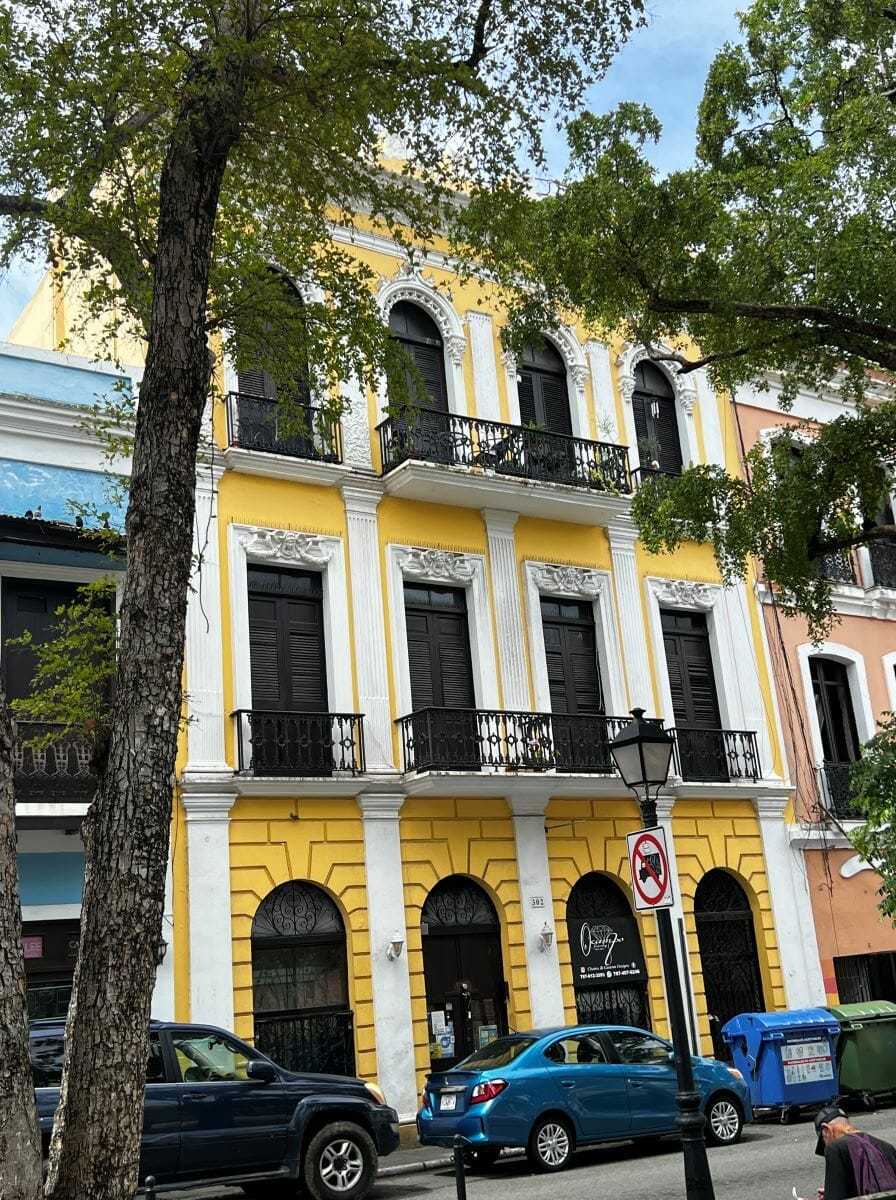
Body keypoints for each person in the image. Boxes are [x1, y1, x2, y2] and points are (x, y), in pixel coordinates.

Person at [799, 1105, 896, 1200]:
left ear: (827, 1129)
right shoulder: (887, 1147)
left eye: (823, 1142)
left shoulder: (835, 1147)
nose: (826, 1145)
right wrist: (831, 1191)